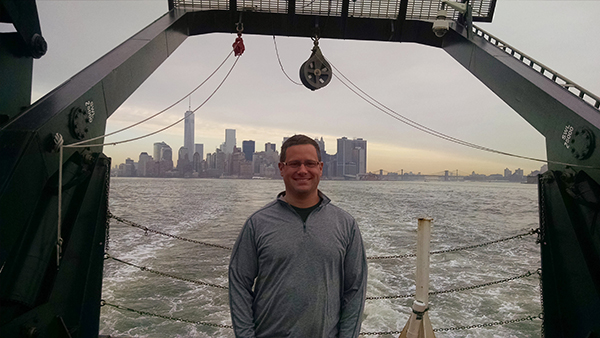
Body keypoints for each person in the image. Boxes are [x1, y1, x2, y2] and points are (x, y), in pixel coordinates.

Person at [229, 134, 368, 338]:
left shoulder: (346, 225)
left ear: (320, 167)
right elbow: (239, 283)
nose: (302, 170)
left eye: (309, 163)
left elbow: (355, 290)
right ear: (282, 168)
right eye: (294, 163)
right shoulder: (257, 224)